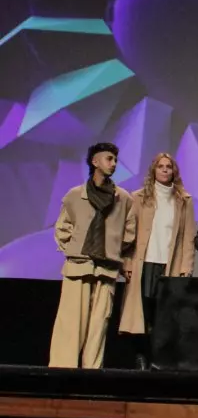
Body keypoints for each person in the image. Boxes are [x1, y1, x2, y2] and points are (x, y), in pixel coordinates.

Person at [49, 142, 136, 368]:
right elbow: (62, 227)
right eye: (109, 159)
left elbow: (129, 231)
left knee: (99, 326)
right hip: (79, 266)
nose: (114, 164)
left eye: (116, 160)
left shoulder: (123, 198)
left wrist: (112, 247)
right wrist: (76, 248)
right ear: (94, 161)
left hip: (106, 268)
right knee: (70, 323)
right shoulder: (75, 195)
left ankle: (91, 375)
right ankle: (62, 372)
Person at [118, 153, 196, 370]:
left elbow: (188, 236)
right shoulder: (139, 197)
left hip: (169, 264)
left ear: (174, 171)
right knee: (141, 312)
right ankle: (141, 356)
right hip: (143, 263)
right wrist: (125, 261)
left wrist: (186, 267)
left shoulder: (184, 200)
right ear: (153, 170)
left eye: (168, 167)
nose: (164, 170)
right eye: (160, 166)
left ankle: (159, 359)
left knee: (164, 314)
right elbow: (128, 232)